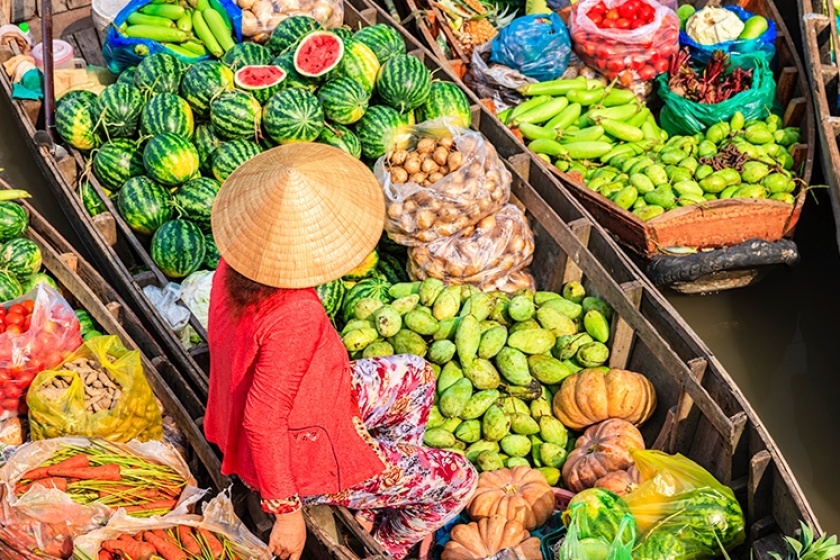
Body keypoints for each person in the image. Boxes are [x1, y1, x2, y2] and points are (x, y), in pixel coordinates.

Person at [204, 143, 478, 560]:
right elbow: (262, 420)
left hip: (308, 404)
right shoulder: (296, 312)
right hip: (297, 457)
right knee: (459, 479)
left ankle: (373, 494)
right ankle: (385, 545)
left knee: (416, 374)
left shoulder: (236, 261)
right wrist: (287, 513)